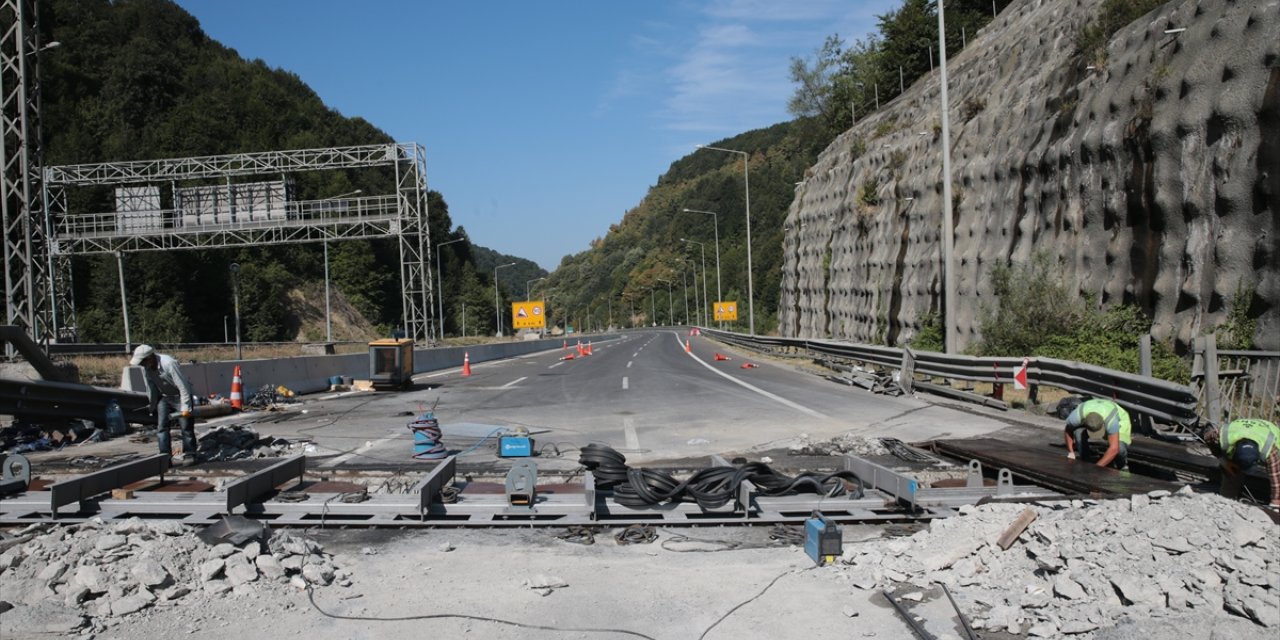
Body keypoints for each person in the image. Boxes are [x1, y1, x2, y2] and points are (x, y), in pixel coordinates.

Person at [130, 344, 198, 465]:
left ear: (150, 358)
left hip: (179, 396)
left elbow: (183, 386)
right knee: (162, 428)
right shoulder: (147, 367)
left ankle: (190, 454)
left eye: (142, 362)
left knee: (186, 427)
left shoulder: (169, 363)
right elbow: (151, 386)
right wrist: (153, 403)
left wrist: (186, 406)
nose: (142, 365)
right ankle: (165, 457)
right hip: (164, 397)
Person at [1202, 418, 1280, 508]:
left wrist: (1275, 503)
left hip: (1268, 432)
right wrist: (1223, 460)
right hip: (1240, 431)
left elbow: (1276, 479)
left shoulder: (1269, 448)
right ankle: (1225, 501)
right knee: (1231, 473)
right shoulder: (1222, 436)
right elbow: (1208, 438)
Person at [1063, 398, 1131, 469]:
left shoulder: (1112, 421)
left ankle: (1122, 466)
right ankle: (1085, 462)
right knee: (1078, 433)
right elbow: (1068, 430)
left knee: (1120, 448)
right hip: (1091, 408)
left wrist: (1096, 468)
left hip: (1120, 417)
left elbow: (1114, 448)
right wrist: (1070, 452)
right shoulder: (1077, 416)